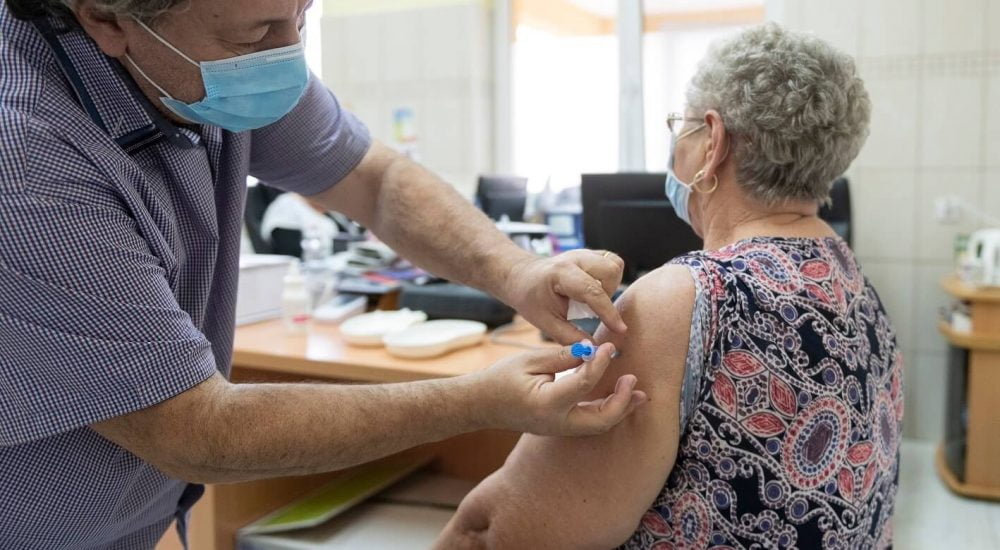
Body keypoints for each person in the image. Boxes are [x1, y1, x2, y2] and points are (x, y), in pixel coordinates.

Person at [0, 0, 648, 547]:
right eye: (258, 34)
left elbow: (374, 180)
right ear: (106, 19)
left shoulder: (202, 54)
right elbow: (197, 431)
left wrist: (520, 271)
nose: (287, 55)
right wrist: (477, 401)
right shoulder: (27, 159)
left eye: (303, 15)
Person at [437, 23, 903, 549]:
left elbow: (492, 532)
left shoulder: (686, 300)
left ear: (712, 141)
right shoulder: (854, 283)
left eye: (680, 126)